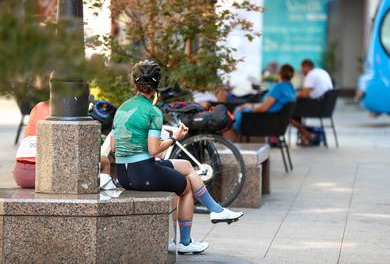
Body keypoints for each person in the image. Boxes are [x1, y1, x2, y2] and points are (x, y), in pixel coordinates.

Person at [112, 60, 244, 255]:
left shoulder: (122, 108)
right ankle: (184, 242)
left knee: (186, 165)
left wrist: (143, 155)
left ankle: (216, 211)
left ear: (135, 83)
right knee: (186, 187)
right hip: (143, 174)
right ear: (157, 86)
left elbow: (115, 147)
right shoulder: (152, 112)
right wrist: (175, 138)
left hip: (124, 174)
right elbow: (154, 148)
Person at [13, 101, 111, 188]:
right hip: (46, 178)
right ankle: (105, 189)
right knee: (104, 161)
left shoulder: (38, 107)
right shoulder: (67, 110)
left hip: (20, 176)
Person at [231, 64, 297, 135]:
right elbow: (271, 105)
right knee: (244, 107)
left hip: (266, 122)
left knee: (237, 111)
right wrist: (251, 105)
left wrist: (251, 107)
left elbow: (264, 108)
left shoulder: (279, 87)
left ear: (279, 74)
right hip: (277, 122)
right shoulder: (291, 88)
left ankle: (231, 143)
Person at [292, 59, 334, 145]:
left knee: (289, 114)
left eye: (302, 68)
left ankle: (309, 135)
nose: (302, 71)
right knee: (295, 112)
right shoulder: (322, 72)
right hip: (325, 107)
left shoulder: (311, 75)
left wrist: (292, 95)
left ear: (307, 67)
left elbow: (304, 94)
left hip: (316, 107)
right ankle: (305, 137)